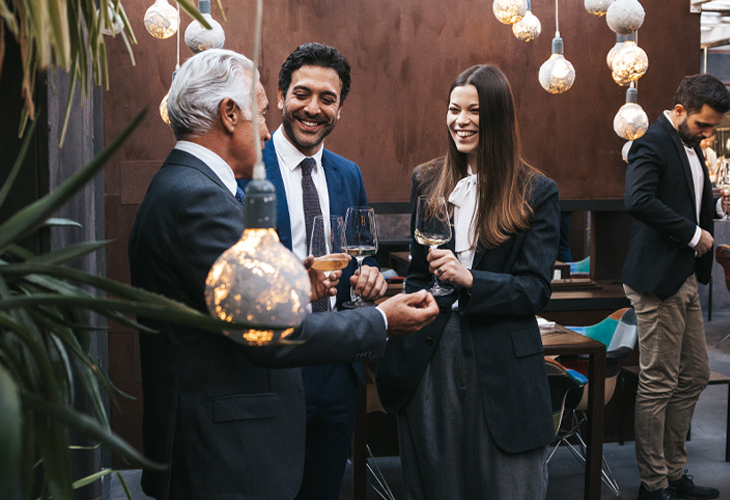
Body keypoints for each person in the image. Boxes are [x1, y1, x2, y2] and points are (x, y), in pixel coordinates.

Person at [127, 49, 439, 500]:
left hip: (237, 434)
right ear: (230, 114)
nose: (266, 124)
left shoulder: (188, 185)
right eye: (262, 109)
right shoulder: (200, 198)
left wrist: (296, 283)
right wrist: (383, 321)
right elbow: (267, 333)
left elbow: (231, 302)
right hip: (223, 451)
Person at [375, 64, 559, 499]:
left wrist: (471, 278)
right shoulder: (427, 179)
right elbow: (418, 275)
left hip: (502, 359)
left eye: (474, 110)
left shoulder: (536, 191)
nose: (461, 120)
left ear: (497, 115)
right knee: (438, 482)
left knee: (507, 484)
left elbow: (535, 289)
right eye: (454, 109)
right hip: (432, 353)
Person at [248, 42, 385, 500]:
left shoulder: (349, 174)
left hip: (337, 368)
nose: (313, 108)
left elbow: (363, 261)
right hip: (275, 365)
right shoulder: (246, 172)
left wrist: (371, 280)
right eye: (302, 94)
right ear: (282, 96)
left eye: (328, 98)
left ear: (340, 108)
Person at [621, 74, 730, 500]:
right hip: (657, 278)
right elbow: (637, 200)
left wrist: (715, 205)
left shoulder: (689, 147)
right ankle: (653, 485)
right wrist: (695, 235)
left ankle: (675, 472)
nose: (708, 134)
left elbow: (682, 201)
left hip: (686, 276)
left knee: (693, 375)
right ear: (679, 111)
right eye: (703, 125)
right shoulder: (651, 142)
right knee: (658, 381)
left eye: (713, 128)